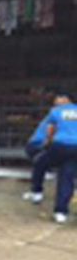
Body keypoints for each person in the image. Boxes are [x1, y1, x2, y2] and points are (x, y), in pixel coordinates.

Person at [24, 91, 77, 224]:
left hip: (59, 145)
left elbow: (50, 131)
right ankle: (61, 212)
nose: (55, 101)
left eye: (57, 98)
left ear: (65, 98)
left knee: (40, 161)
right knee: (67, 177)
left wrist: (46, 145)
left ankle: (37, 192)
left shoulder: (56, 111)